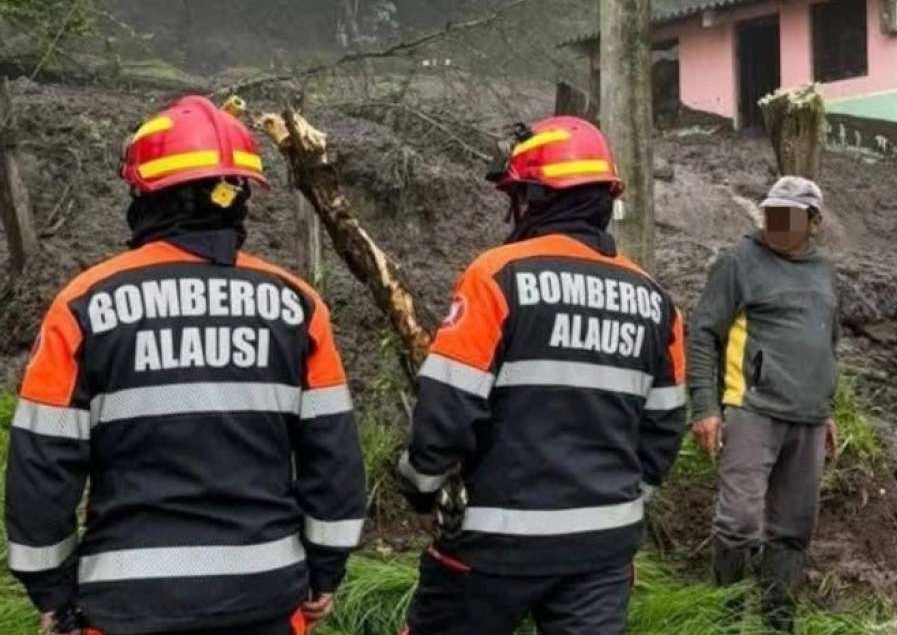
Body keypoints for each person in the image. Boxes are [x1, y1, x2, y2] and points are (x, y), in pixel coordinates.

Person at [5, 95, 367, 635]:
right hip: (265, 596)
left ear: (145, 195)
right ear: (239, 196)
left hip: (127, 603)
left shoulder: (83, 304)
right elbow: (333, 456)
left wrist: (52, 593)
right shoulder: (297, 305)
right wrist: (326, 570)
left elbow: (43, 465)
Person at [396, 116, 687, 635]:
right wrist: (622, 498)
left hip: (493, 543)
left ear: (532, 197)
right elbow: (664, 426)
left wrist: (421, 484)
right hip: (603, 549)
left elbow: (448, 407)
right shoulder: (655, 300)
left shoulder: (496, 275)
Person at [687, 176, 839, 634]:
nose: (778, 224)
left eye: (789, 216)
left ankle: (778, 624)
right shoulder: (738, 262)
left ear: (812, 222)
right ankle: (726, 623)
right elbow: (703, 335)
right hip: (752, 408)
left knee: (793, 530)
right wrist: (705, 408)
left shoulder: (824, 271)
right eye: (773, 214)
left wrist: (827, 408)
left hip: (809, 418)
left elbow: (827, 343)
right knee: (739, 522)